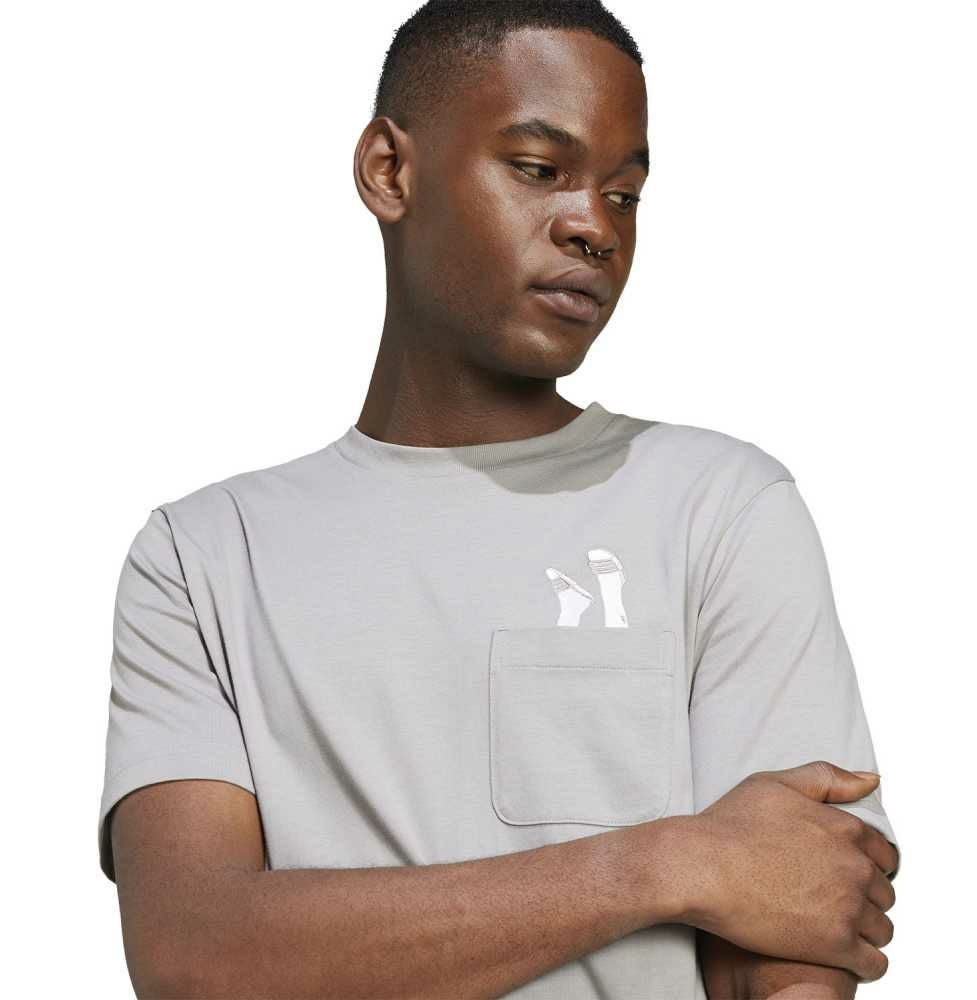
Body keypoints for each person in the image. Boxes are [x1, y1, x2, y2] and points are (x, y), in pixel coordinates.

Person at [97, 3, 900, 997]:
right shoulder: (205, 557)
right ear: (389, 172)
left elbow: (796, 914)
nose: (594, 226)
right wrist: (665, 863)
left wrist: (725, 876)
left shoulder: (719, 508)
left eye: (625, 193)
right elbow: (195, 956)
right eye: (537, 168)